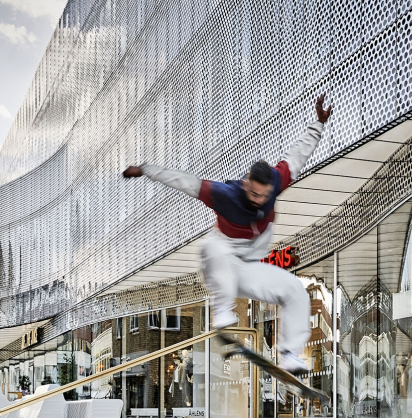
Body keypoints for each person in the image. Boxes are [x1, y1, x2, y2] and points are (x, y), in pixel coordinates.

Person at [123, 95, 332, 373]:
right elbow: (183, 181)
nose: (258, 200)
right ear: (246, 183)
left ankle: (291, 354)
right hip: (220, 266)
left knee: (296, 291)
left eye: (264, 196)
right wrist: (145, 170)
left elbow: (298, 154)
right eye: (253, 193)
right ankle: (222, 310)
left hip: (247, 269)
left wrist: (318, 123)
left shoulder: (277, 180)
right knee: (214, 247)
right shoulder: (223, 194)